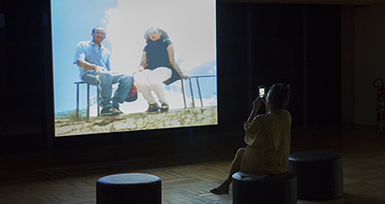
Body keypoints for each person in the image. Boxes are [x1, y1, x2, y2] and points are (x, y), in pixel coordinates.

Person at [210, 83, 291, 195]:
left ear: (270, 99)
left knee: (241, 152)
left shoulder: (261, 120)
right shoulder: (286, 116)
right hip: (280, 165)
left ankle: (226, 183)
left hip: (264, 167)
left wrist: (255, 109)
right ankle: (226, 184)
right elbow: (271, 119)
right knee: (243, 152)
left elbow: (248, 128)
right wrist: (268, 106)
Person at [74, 26, 133, 116]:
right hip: (88, 73)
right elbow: (79, 62)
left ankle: (115, 105)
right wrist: (94, 67)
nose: (100, 35)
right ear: (92, 34)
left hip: (106, 74)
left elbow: (109, 69)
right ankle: (106, 106)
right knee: (106, 75)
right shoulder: (82, 45)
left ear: (104, 36)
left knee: (128, 77)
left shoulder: (106, 51)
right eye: (97, 32)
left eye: (102, 33)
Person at [134, 27, 189, 112]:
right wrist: (140, 69)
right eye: (150, 34)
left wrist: (180, 73)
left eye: (154, 33)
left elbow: (172, 60)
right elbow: (143, 62)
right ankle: (152, 103)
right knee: (139, 79)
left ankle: (164, 103)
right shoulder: (147, 47)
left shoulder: (166, 43)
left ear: (160, 33)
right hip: (150, 69)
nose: (152, 35)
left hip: (164, 68)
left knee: (154, 80)